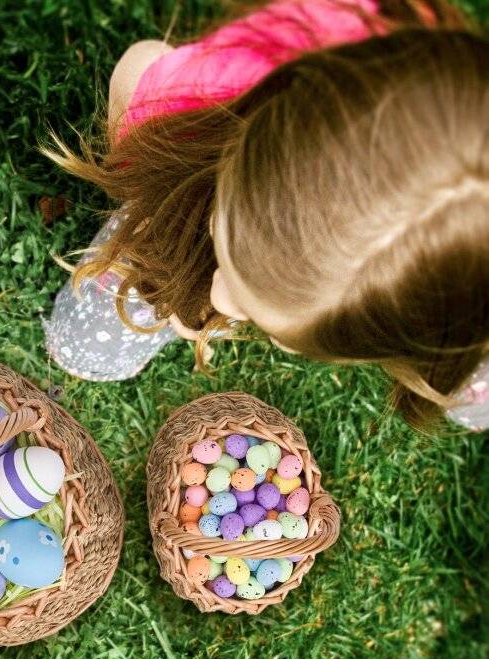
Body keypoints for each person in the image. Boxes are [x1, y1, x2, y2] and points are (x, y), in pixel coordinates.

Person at [44, 0, 488, 431]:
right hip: (193, 175)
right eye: (224, 235)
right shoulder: (206, 95)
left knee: (467, 364)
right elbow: (140, 63)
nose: (220, 301)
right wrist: (153, 193)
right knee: (95, 335)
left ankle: (464, 365)